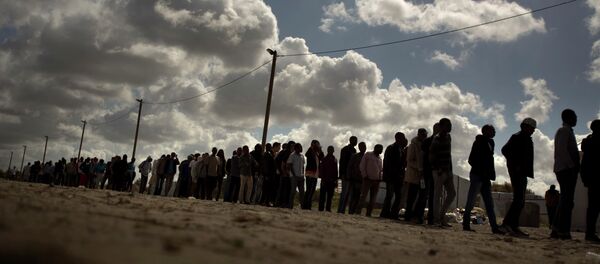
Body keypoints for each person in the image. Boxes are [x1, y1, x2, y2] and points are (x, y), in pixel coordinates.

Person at [498, 117, 537, 237]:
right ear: (525, 126)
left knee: (520, 201)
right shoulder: (517, 137)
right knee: (518, 200)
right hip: (518, 173)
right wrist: (516, 165)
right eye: (532, 127)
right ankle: (506, 225)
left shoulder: (526, 138)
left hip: (522, 173)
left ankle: (513, 226)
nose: (533, 130)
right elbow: (505, 150)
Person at [462, 125, 503, 234]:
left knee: (489, 203)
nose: (494, 132)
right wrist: (481, 170)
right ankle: (465, 224)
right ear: (485, 131)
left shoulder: (491, 143)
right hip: (477, 175)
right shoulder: (478, 142)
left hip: (485, 178)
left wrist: (489, 173)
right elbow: (471, 159)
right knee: (471, 201)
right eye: (492, 130)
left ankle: (494, 227)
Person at [551, 109, 580, 240]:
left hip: (566, 169)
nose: (576, 119)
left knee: (565, 200)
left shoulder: (567, 131)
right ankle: (563, 231)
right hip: (565, 170)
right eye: (574, 117)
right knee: (567, 201)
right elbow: (562, 151)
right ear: (567, 118)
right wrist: (572, 166)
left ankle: (557, 229)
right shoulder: (564, 131)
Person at [430, 118, 456, 227]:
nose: (450, 127)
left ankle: (441, 216)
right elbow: (432, 156)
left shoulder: (448, 137)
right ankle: (436, 220)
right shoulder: (437, 139)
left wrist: (450, 170)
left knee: (452, 193)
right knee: (437, 195)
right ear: (441, 126)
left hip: (448, 171)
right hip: (439, 171)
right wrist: (438, 169)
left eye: (450, 124)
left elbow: (448, 155)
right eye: (447, 125)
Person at [380, 132, 408, 219]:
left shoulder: (401, 149)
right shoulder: (391, 148)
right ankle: (385, 213)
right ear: (397, 138)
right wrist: (387, 175)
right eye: (402, 137)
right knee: (389, 195)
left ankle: (393, 213)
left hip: (398, 177)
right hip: (391, 176)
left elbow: (402, 164)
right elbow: (387, 163)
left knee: (398, 196)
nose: (403, 139)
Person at [581, 119, 600, 243]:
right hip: (597, 178)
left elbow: (585, 163)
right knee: (594, 208)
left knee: (592, 207)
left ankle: (589, 233)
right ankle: (590, 233)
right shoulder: (596, 142)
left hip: (591, 179)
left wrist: (585, 178)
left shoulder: (587, 142)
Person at [404, 128, 427, 222]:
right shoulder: (413, 146)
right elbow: (409, 160)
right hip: (414, 175)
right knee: (411, 197)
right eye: (423, 135)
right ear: (419, 134)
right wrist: (419, 168)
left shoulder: (423, 145)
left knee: (421, 196)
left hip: (421, 176)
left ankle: (416, 215)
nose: (424, 136)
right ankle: (408, 215)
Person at [420, 123, 439, 225]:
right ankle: (420, 216)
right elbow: (422, 156)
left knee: (432, 195)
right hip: (427, 171)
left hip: (435, 172)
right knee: (424, 194)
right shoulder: (427, 141)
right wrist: (422, 170)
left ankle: (430, 218)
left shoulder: (440, 141)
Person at [358, 144, 384, 217]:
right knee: (363, 197)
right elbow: (362, 165)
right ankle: (358, 212)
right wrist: (365, 176)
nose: (381, 150)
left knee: (373, 199)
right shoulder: (368, 155)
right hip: (367, 180)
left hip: (376, 181)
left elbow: (380, 170)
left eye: (382, 149)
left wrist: (380, 178)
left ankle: (368, 213)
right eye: (380, 149)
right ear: (376, 148)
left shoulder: (380, 159)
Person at [338, 136, 358, 214]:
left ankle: (342, 210)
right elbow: (342, 162)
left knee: (348, 194)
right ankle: (340, 210)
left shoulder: (354, 150)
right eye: (355, 140)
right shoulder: (345, 149)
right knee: (343, 193)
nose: (356, 142)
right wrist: (342, 174)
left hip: (351, 176)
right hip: (345, 174)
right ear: (351, 141)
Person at [348, 142, 367, 214]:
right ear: (359, 148)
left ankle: (356, 211)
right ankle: (351, 211)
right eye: (362, 147)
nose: (364, 148)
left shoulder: (366, 157)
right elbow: (350, 166)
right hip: (355, 179)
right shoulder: (355, 156)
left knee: (359, 196)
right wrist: (350, 176)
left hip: (362, 180)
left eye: (364, 146)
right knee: (354, 196)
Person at [319, 146, 338, 212]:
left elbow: (336, 171)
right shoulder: (324, 159)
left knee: (330, 196)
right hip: (325, 180)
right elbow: (322, 170)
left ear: (333, 151)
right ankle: (321, 209)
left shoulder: (335, 159)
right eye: (330, 149)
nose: (331, 151)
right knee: (322, 196)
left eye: (332, 150)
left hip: (332, 181)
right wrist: (323, 179)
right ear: (327, 150)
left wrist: (336, 180)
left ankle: (328, 208)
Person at [303, 140, 321, 210]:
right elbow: (306, 154)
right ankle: (305, 206)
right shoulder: (310, 152)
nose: (318, 145)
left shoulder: (316, 153)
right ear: (313, 144)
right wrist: (311, 146)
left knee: (312, 190)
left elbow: (322, 156)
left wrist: (320, 150)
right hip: (310, 174)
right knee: (309, 190)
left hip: (315, 175)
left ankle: (308, 205)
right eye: (317, 144)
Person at [287, 143, 306, 209]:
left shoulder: (302, 156)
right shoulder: (292, 155)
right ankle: (290, 206)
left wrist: (303, 175)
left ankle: (303, 206)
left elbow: (303, 166)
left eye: (301, 147)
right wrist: (294, 175)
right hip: (294, 177)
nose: (301, 149)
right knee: (293, 192)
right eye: (300, 147)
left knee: (302, 192)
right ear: (296, 148)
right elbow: (289, 165)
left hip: (301, 177)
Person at [277, 142, 294, 208]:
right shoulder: (286, 153)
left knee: (287, 189)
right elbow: (282, 163)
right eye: (292, 146)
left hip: (289, 174)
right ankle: (281, 203)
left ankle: (285, 203)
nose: (293, 147)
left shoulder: (292, 154)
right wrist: (283, 172)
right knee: (284, 189)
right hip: (284, 173)